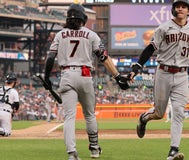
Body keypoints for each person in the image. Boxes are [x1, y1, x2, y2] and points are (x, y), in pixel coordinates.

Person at [44, 3, 129, 160]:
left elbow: (50, 58)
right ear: (83, 18)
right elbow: (103, 57)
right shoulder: (91, 35)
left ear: (68, 18)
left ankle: (72, 154)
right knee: (89, 115)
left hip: (67, 74)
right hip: (84, 75)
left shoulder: (60, 34)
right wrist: (117, 76)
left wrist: (46, 77)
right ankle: (95, 149)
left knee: (69, 117)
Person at [128, 0, 189, 159]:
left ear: (188, 11)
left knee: (178, 112)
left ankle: (173, 150)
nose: (180, 8)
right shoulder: (163, 27)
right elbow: (151, 48)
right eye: (177, 6)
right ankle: (144, 118)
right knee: (159, 113)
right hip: (164, 72)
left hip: (182, 75)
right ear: (173, 10)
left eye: (183, 6)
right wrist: (137, 66)